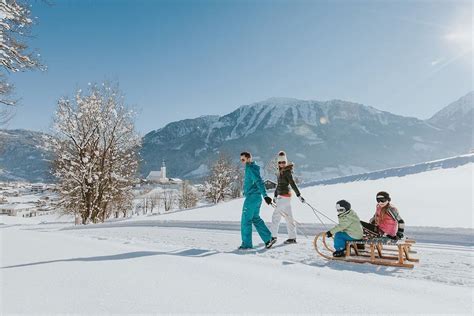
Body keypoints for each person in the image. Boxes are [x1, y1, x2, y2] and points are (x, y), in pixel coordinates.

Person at [239, 151, 276, 250]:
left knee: (245, 220)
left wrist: (265, 196)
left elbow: (259, 181)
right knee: (255, 218)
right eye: (241, 160)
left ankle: (246, 245)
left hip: (252, 198)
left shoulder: (251, 168)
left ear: (249, 158)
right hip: (255, 197)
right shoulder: (250, 168)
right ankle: (268, 239)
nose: (242, 161)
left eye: (243, 159)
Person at [270, 151, 305, 244]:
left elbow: (292, 183)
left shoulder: (287, 172)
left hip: (283, 197)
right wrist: (275, 195)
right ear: (278, 163)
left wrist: (299, 195)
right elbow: (278, 185)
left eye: (283, 162)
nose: (282, 164)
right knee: (289, 217)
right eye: (280, 162)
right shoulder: (280, 172)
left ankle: (273, 237)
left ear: (286, 162)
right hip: (285, 197)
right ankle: (292, 237)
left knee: (276, 216)